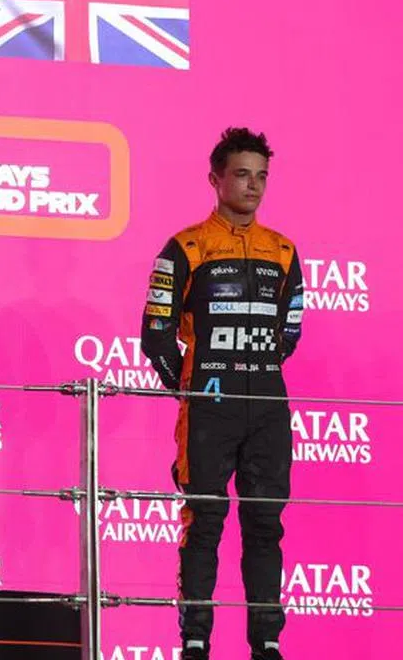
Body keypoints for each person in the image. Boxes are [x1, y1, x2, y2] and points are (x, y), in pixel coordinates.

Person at [140, 128, 304, 660]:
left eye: (261, 176)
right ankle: (195, 639)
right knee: (205, 520)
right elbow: (156, 332)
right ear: (215, 179)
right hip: (208, 407)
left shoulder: (283, 250)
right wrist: (195, 384)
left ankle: (267, 642)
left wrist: (252, 374)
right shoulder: (185, 246)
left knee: (265, 522)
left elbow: (290, 332)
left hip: (268, 409)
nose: (253, 186)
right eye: (241, 174)